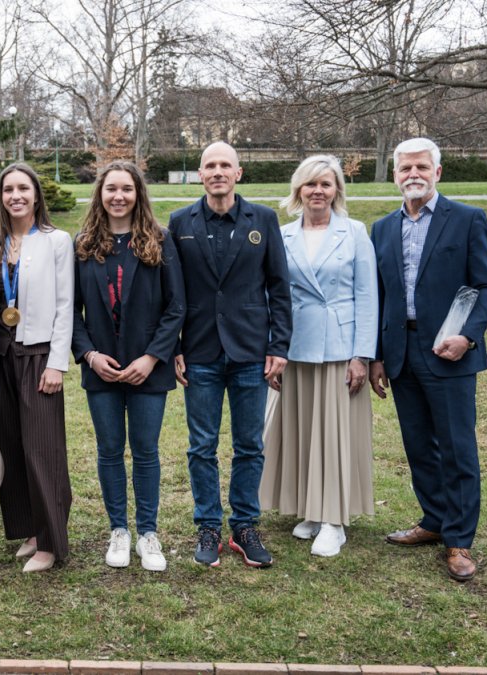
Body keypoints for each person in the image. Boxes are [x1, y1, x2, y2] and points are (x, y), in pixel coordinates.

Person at [369, 138, 487, 582]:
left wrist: (467, 336)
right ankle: (433, 520)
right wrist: (376, 356)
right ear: (395, 175)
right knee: (418, 445)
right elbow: (379, 296)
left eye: (422, 167)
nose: (414, 175)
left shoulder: (466, 220)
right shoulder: (382, 229)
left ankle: (459, 540)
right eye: (405, 168)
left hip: (449, 353)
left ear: (437, 172)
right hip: (401, 354)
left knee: (457, 448)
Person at [169, 141, 292, 568]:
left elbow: (279, 287)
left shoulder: (264, 219)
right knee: (201, 446)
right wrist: (175, 347)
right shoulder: (180, 222)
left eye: (226, 165)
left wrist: (279, 346)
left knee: (249, 445)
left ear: (238, 173)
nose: (218, 171)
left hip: (251, 351)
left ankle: (244, 526)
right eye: (210, 165)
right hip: (200, 351)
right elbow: (172, 291)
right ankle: (208, 525)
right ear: (200, 174)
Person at [258, 155, 376, 558]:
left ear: (337, 189)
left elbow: (367, 296)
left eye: (326, 184)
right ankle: (311, 508)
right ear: (299, 190)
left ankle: (334, 521)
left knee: (335, 434)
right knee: (302, 430)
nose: (318, 191)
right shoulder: (283, 234)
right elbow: (272, 295)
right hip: (294, 347)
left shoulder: (354, 232)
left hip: (339, 348)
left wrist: (362, 355)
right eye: (310, 184)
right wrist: (273, 348)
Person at [71, 161, 184, 572]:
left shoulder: (160, 240)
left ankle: (148, 533)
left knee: (146, 450)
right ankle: (118, 529)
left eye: (127, 189)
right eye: (111, 189)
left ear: (138, 194)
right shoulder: (83, 244)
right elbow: (71, 311)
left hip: (147, 367)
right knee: (109, 450)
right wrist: (89, 355)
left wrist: (152, 357)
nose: (118, 196)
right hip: (101, 368)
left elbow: (176, 306)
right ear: (100, 194)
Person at [0, 162, 74, 573]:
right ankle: (30, 529)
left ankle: (51, 542)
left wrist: (56, 364)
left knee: (42, 448)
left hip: (38, 355)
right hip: (0, 354)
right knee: (13, 444)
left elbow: (65, 306)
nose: (15, 196)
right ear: (1, 197)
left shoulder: (56, 241)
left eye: (23, 188)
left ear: (36, 195)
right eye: (8, 190)